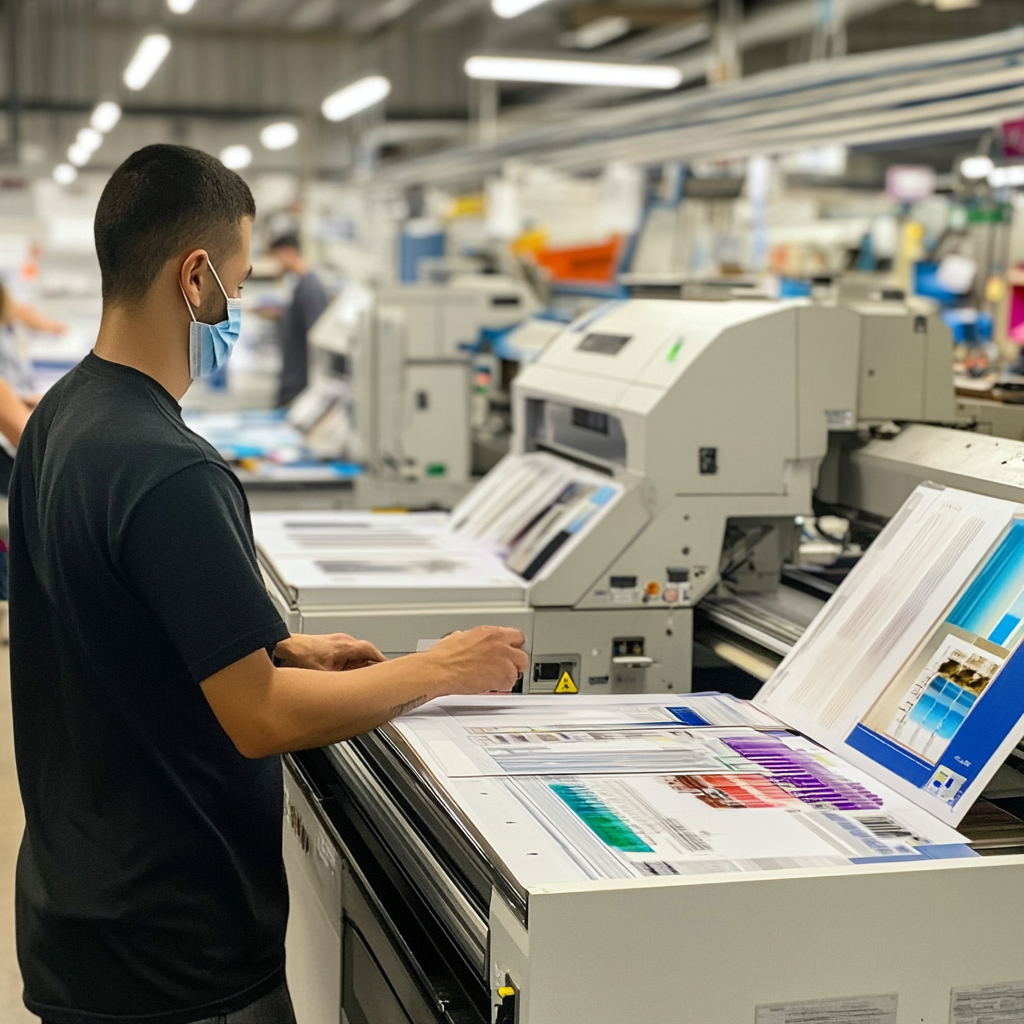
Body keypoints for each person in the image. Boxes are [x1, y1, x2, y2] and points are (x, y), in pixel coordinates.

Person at [8, 144, 527, 1024]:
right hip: (178, 958)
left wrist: (280, 644)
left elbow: (110, 614)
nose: (238, 309)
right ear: (196, 277)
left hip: (84, 916)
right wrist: (441, 667)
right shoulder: (170, 470)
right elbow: (263, 719)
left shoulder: (64, 416)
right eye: (239, 289)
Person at [268, 233, 328, 406]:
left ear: (289, 253)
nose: (276, 265)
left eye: (277, 258)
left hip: (300, 389)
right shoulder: (301, 285)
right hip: (294, 384)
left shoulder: (310, 288)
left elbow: (316, 339)